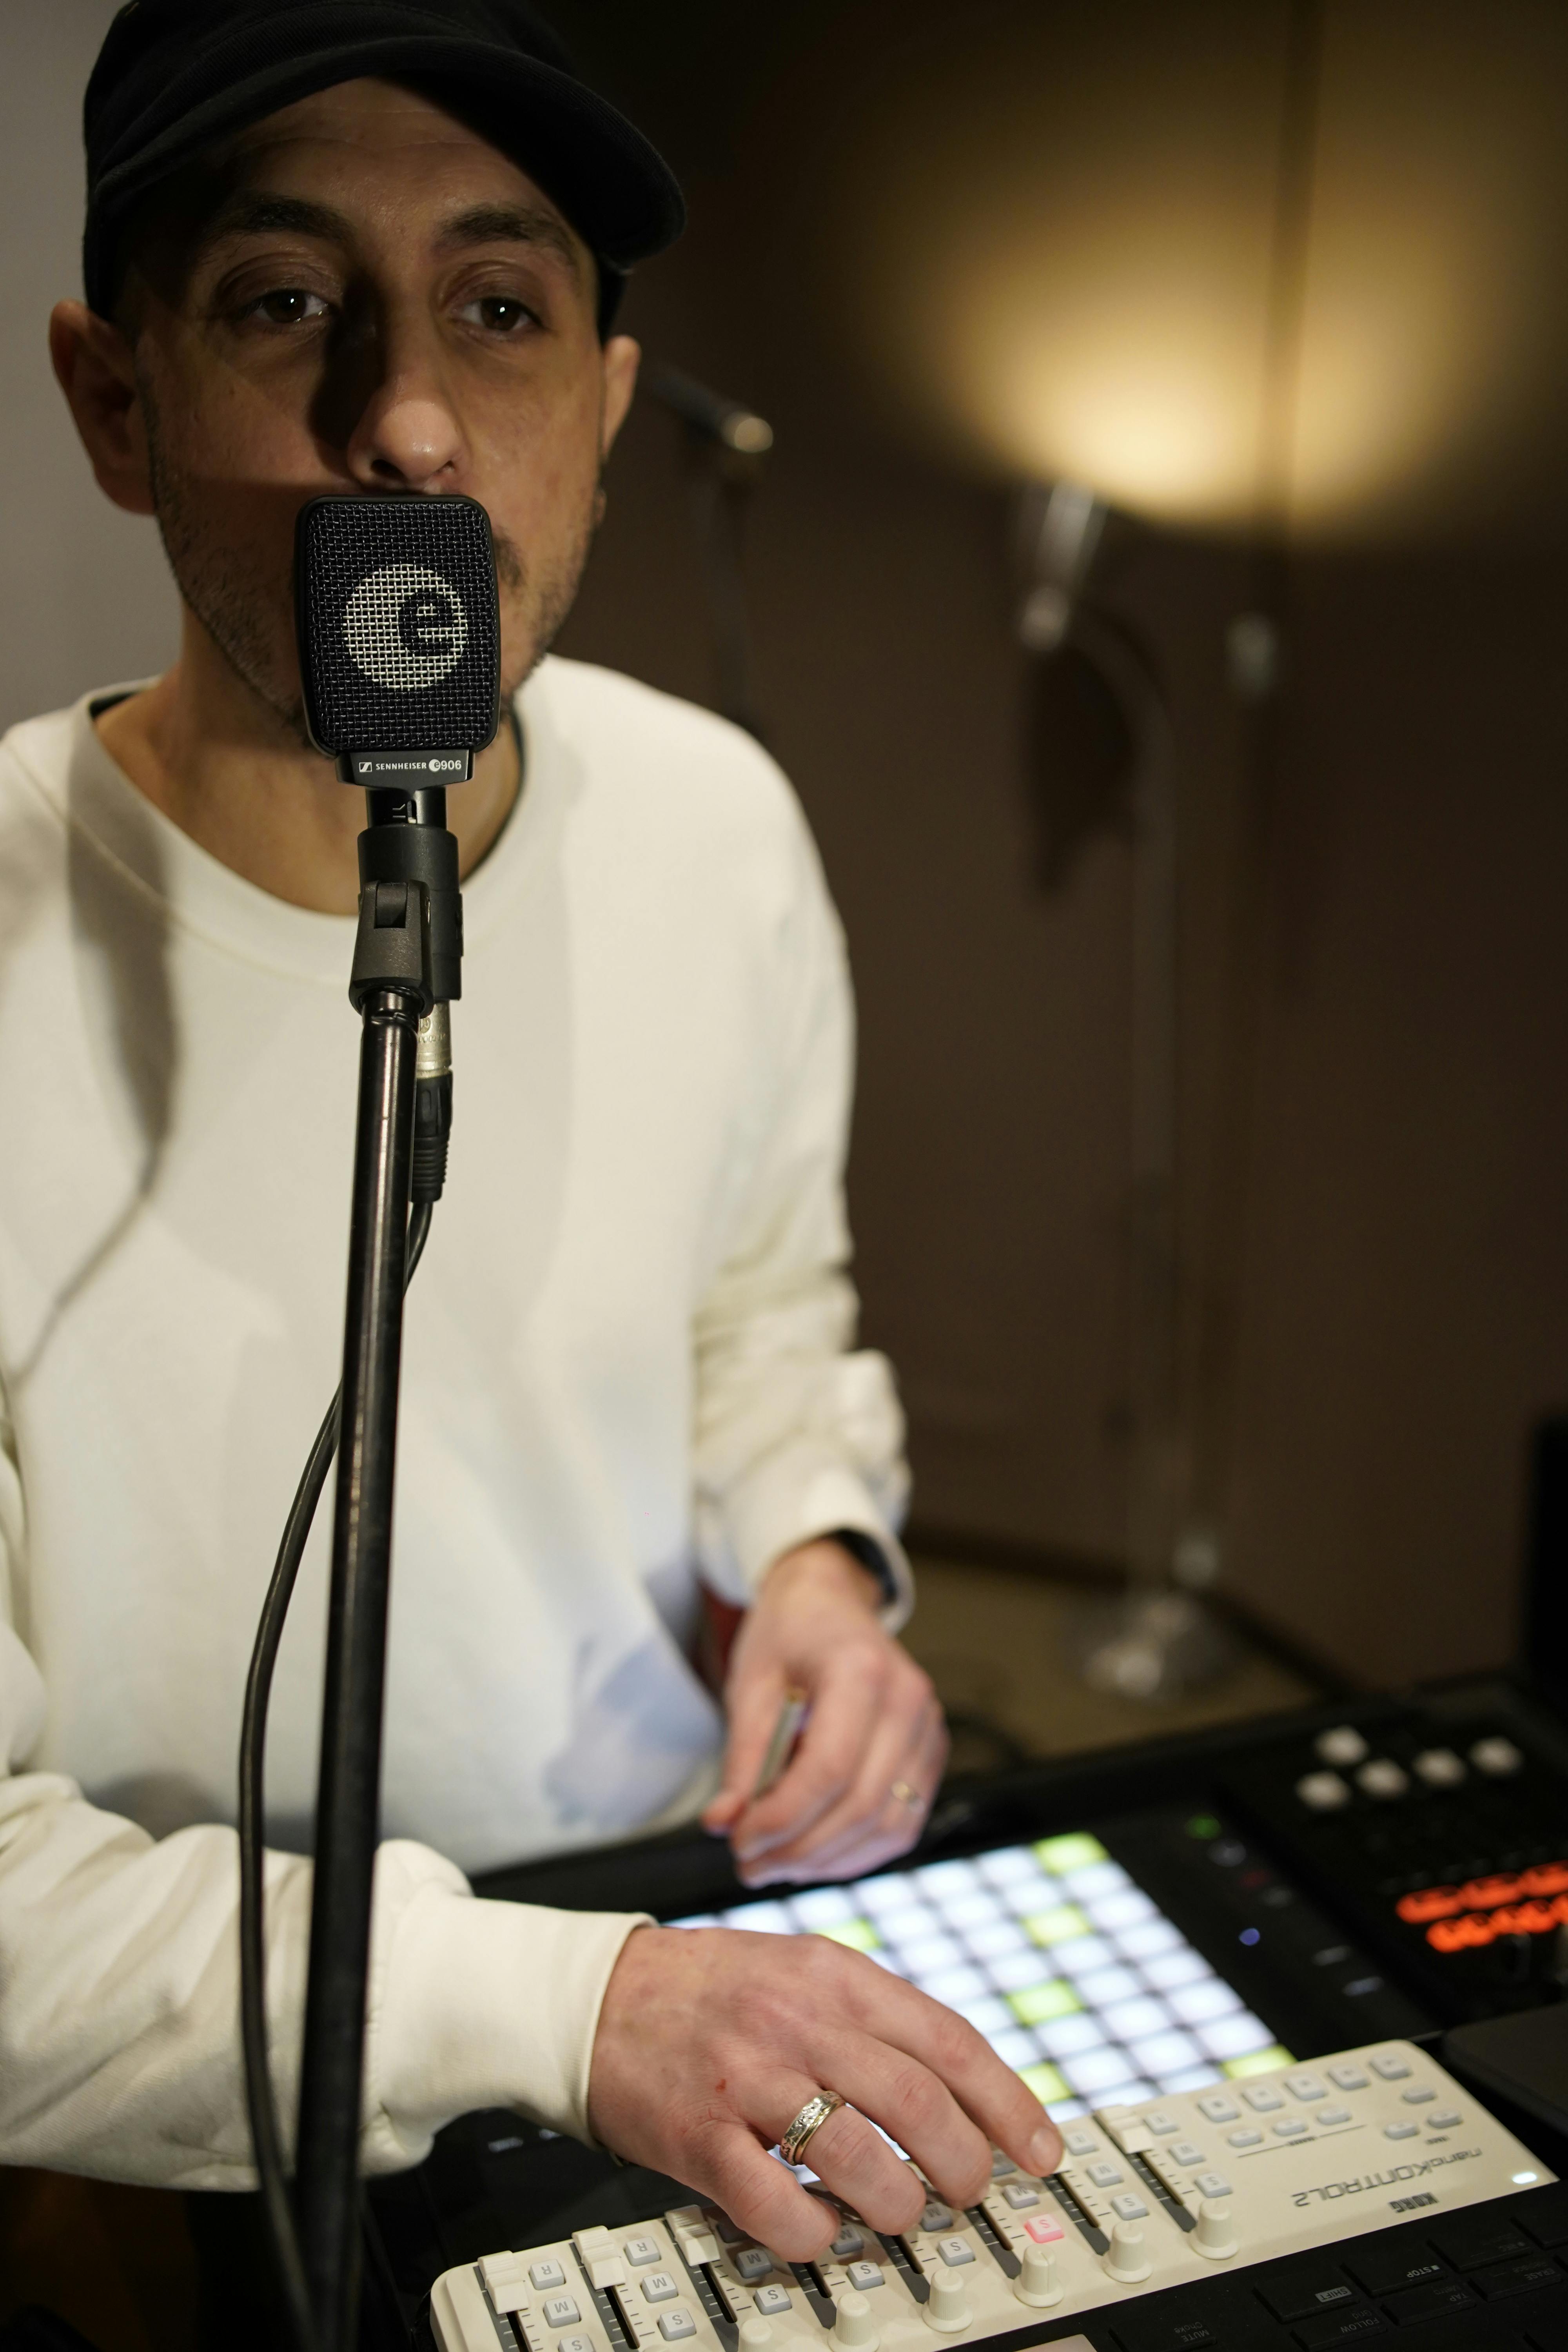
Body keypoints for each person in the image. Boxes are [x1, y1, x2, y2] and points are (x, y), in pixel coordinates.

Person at [0, 0, 1060, 2276]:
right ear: (116, 402)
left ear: (597, 407)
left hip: (674, 1957)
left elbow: (762, 1306)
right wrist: (573, 2011)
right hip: (160, 2122)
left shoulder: (715, 823)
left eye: (499, 310)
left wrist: (813, 1556)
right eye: (287, 304)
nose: (407, 421)